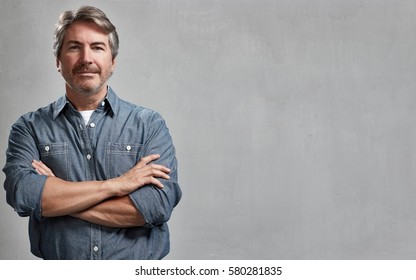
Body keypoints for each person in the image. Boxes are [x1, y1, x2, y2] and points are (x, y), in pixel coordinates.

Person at [2, 6, 181, 260]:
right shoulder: (29, 128)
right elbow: (24, 195)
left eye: (97, 47)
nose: (86, 58)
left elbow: (155, 207)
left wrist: (59, 196)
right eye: (74, 47)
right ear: (58, 61)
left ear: (113, 62)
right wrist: (117, 186)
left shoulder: (148, 125)